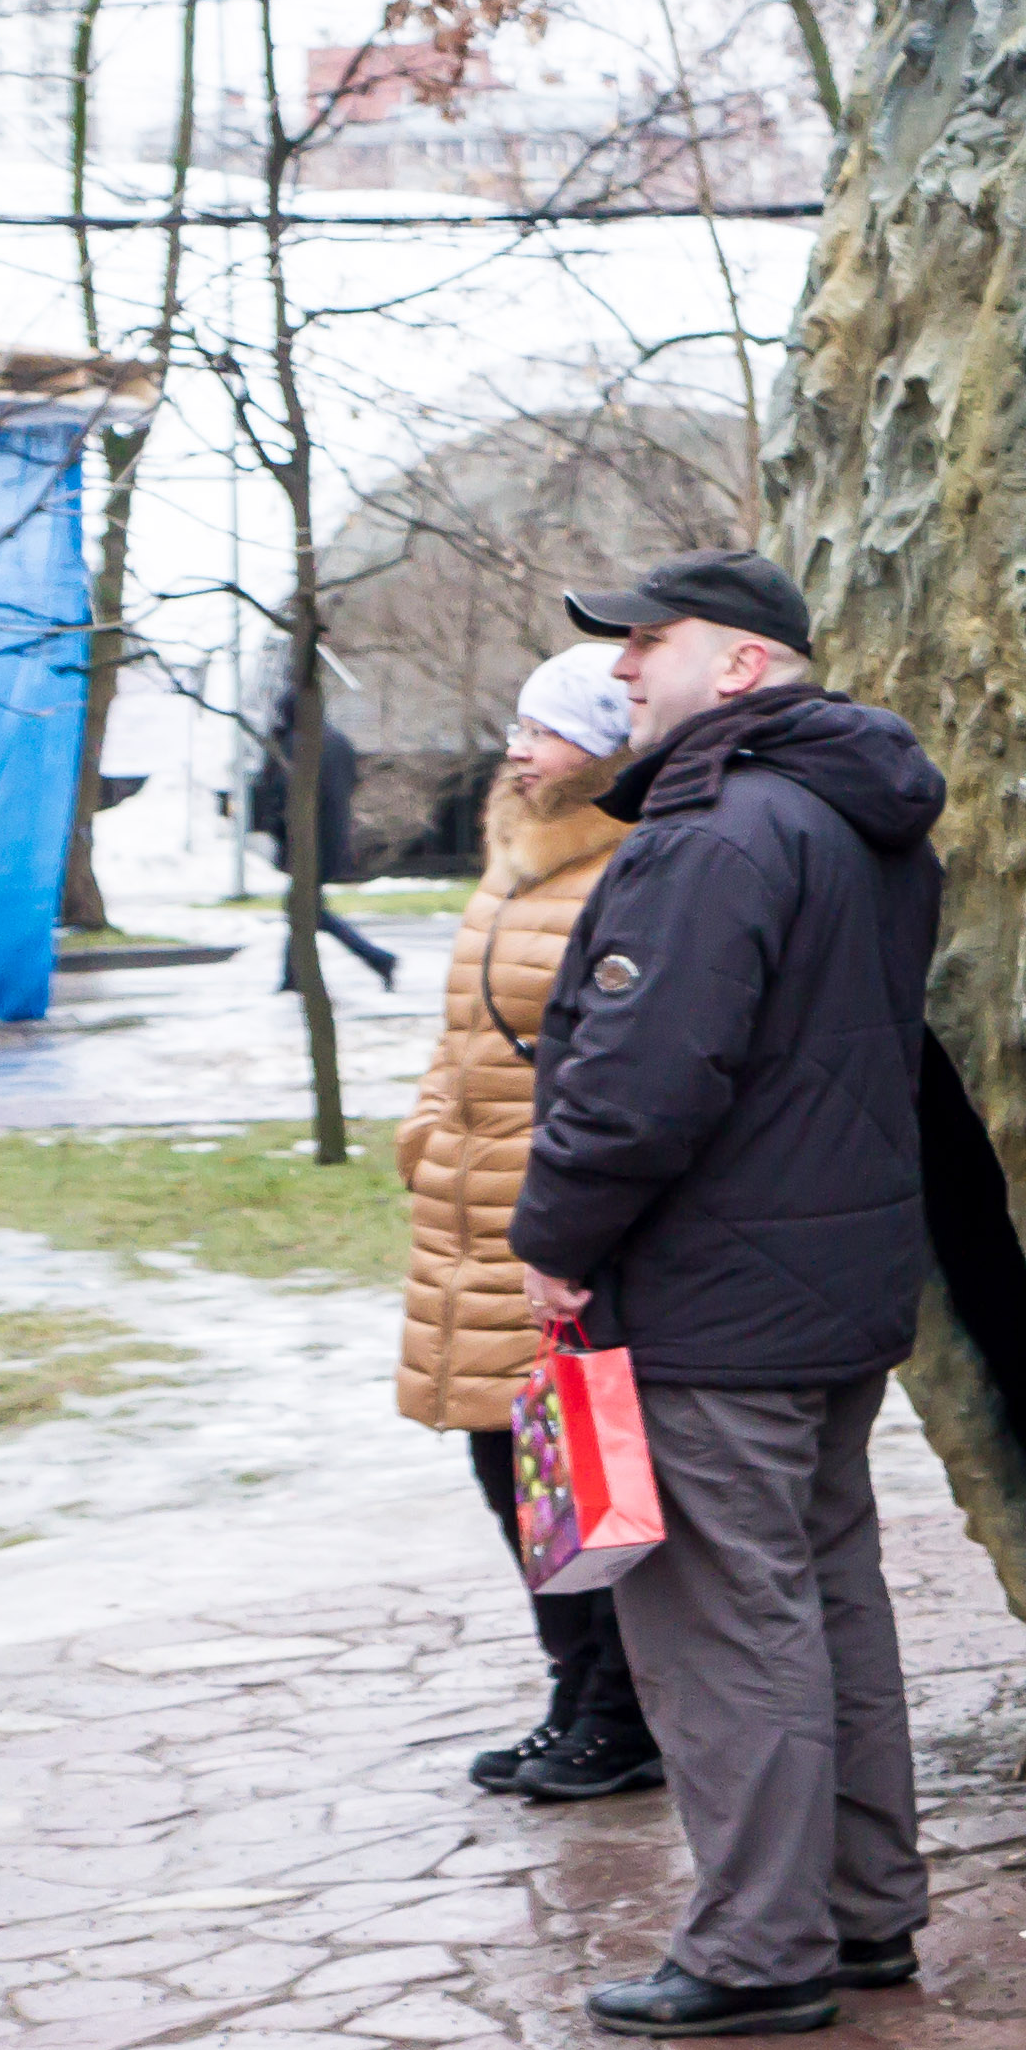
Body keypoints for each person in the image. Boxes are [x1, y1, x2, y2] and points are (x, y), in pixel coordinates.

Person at [507, 548, 948, 2041]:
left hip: (715, 1295)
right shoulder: (849, 814)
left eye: (650, 639)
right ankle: (859, 1909)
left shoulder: (716, 835)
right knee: (824, 1593)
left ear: (744, 666)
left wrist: (554, 1239)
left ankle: (761, 1950)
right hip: (828, 1280)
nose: (623, 667)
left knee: (722, 1622)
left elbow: (639, 1086)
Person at [395, 643, 657, 1801]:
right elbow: (461, 1040)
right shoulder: (512, 869)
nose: (518, 747)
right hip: (468, 1217)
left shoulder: (625, 870)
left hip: (547, 1222)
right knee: (507, 1465)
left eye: (546, 730)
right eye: (519, 725)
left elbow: (612, 1065)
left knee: (574, 1470)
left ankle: (621, 1709)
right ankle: (576, 1693)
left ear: (604, 750)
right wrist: (422, 1139)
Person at [246, 677, 401, 991]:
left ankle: (376, 958)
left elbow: (278, 794)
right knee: (303, 908)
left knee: (306, 908)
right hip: (333, 838)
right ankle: (294, 976)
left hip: (306, 842)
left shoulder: (295, 746)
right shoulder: (338, 741)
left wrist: (275, 829)